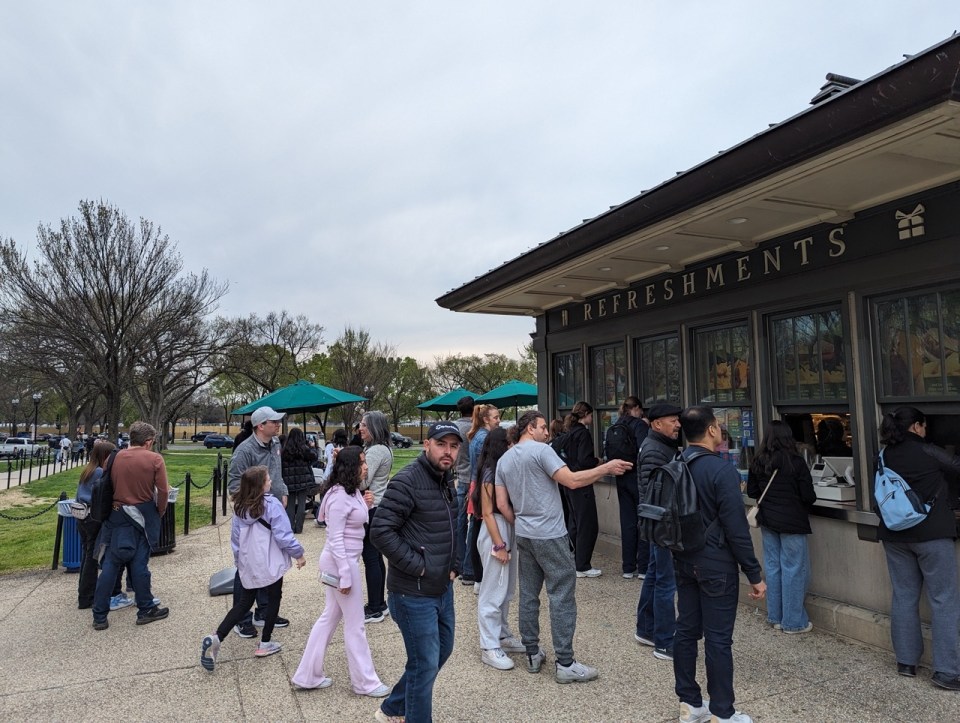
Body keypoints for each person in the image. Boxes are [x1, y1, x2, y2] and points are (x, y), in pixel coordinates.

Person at [497, 411, 632, 684]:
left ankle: (533, 653)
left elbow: (502, 504)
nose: (547, 432)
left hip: (525, 534)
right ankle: (565, 662)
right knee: (561, 596)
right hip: (550, 534)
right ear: (530, 428)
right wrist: (606, 468)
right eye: (543, 427)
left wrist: (522, 522)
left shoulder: (505, 458)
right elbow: (571, 480)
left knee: (529, 595)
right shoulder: (542, 451)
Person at [673, 406, 766, 723]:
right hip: (715, 564)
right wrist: (754, 574)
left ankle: (690, 704)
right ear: (711, 429)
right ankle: (722, 712)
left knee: (685, 632)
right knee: (717, 639)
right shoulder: (721, 470)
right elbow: (737, 529)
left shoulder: (677, 464)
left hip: (683, 558)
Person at [370, 421, 462, 723]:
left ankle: (392, 708)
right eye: (441, 444)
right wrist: (420, 566)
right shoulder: (408, 481)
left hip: (441, 588)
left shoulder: (446, 479)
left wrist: (455, 563)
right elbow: (380, 532)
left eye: (454, 446)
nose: (447, 452)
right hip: (412, 593)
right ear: (427, 445)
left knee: (439, 653)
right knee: (424, 664)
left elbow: (451, 525)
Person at [291, 447, 390, 697]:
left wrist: (365, 505)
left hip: (342, 562)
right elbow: (335, 539)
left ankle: (308, 675)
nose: (366, 466)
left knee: (329, 618)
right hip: (340, 563)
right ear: (351, 467)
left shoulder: (349, 492)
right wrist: (346, 574)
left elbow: (351, 525)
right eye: (362, 462)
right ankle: (364, 682)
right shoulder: (338, 496)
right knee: (355, 625)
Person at [877, 406, 960, 690]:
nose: (925, 432)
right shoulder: (928, 451)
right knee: (944, 600)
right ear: (916, 426)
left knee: (904, 596)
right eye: (924, 426)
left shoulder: (884, 455)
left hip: (895, 534)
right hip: (933, 534)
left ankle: (906, 662)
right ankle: (947, 672)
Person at [200, 465, 306, 669]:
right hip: (270, 559)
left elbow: (236, 539)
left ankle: (217, 637)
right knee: (274, 598)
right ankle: (265, 642)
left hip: (249, 560)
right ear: (260, 485)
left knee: (243, 604)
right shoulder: (272, 505)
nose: (271, 482)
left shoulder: (240, 507)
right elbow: (283, 535)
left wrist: (239, 561)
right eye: (268, 479)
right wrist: (298, 554)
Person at [91, 421, 171, 630]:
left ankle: (99, 614)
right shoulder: (154, 459)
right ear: (148, 441)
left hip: (116, 515)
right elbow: (163, 491)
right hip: (141, 515)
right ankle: (145, 608)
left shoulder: (113, 457)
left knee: (110, 565)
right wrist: (160, 511)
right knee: (139, 564)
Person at [747, 420, 816, 634]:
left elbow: (751, 491)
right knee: (794, 570)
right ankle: (793, 622)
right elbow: (809, 496)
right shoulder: (795, 462)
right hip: (792, 522)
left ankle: (775, 616)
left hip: (768, 521)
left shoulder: (758, 460)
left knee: (773, 568)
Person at [228, 406, 290, 638]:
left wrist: (282, 491)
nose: (278, 425)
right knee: (246, 565)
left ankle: (264, 612)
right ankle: (241, 618)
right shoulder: (244, 451)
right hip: (254, 518)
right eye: (274, 421)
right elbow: (234, 484)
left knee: (269, 562)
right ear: (260, 425)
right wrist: (254, 506)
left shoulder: (275, 444)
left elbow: (278, 473)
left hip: (273, 514)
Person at [472, 427, 525, 670]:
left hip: (504, 529)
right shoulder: (490, 472)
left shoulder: (498, 470)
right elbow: (486, 512)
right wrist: (500, 545)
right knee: (493, 590)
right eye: (509, 442)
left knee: (506, 588)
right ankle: (489, 645)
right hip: (496, 530)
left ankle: (501, 635)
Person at [635, 402, 683, 661]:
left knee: (655, 575)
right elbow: (660, 492)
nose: (677, 424)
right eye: (672, 420)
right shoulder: (656, 449)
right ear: (656, 424)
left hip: (657, 523)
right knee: (666, 581)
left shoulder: (659, 446)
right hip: (663, 524)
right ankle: (664, 642)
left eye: (678, 419)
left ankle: (646, 629)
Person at [560, 401, 602, 578]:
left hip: (568, 480)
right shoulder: (583, 433)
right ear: (585, 415)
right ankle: (583, 565)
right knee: (588, 524)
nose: (592, 419)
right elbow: (585, 460)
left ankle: (572, 557)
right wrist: (598, 462)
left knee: (574, 523)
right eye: (591, 415)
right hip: (582, 480)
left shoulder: (569, 433)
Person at [359, 411, 394, 624]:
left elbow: (363, 483)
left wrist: (343, 466)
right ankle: (378, 603)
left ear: (374, 427)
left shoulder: (375, 451)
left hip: (372, 507)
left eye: (364, 424)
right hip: (377, 507)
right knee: (375, 558)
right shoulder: (383, 449)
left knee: (370, 558)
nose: (360, 428)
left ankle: (375, 607)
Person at [611, 396, 650, 579]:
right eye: (640, 410)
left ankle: (628, 567)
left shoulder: (616, 424)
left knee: (627, 522)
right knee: (642, 521)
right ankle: (643, 567)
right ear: (636, 408)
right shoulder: (639, 425)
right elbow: (644, 451)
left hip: (620, 476)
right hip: (637, 476)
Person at [75, 439, 117, 609]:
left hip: (81, 516)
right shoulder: (100, 472)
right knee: (92, 558)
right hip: (92, 517)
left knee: (86, 555)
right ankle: (87, 596)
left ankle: (83, 593)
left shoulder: (88, 470)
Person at [463, 403, 501, 585]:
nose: (499, 421)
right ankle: (474, 573)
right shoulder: (484, 438)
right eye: (495, 417)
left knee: (476, 528)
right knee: (478, 529)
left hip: (476, 484)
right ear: (486, 419)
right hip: (481, 486)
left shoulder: (477, 435)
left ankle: (472, 572)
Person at [452, 395, 475, 585]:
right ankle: (469, 567)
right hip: (474, 477)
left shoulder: (454, 428)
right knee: (474, 522)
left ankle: (459, 564)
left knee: (459, 523)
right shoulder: (476, 428)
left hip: (459, 477)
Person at [281, 427, 318, 534]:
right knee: (302, 504)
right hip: (303, 479)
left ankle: (291, 526)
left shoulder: (285, 450)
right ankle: (299, 527)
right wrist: (312, 447)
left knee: (290, 505)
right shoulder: (304, 449)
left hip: (289, 480)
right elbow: (314, 457)